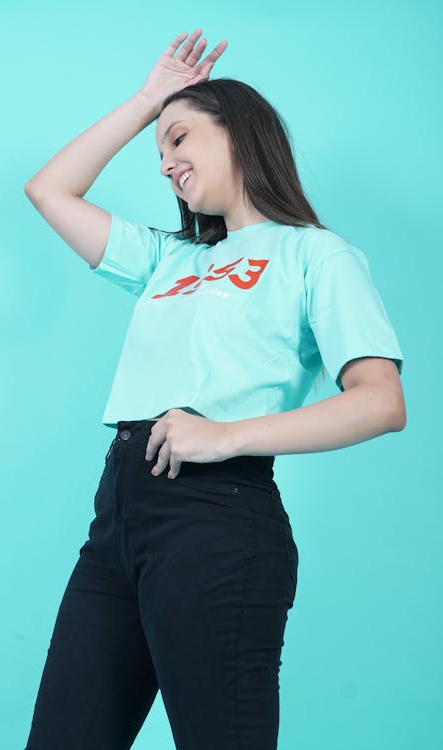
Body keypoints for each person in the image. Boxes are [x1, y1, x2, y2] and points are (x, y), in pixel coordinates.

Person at [23, 29, 406, 750]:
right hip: (118, 522)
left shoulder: (314, 253)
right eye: (158, 153)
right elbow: (49, 189)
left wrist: (225, 435)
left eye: (179, 139)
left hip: (218, 517)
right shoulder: (169, 258)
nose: (166, 163)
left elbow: (382, 400)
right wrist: (147, 102)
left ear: (239, 131)